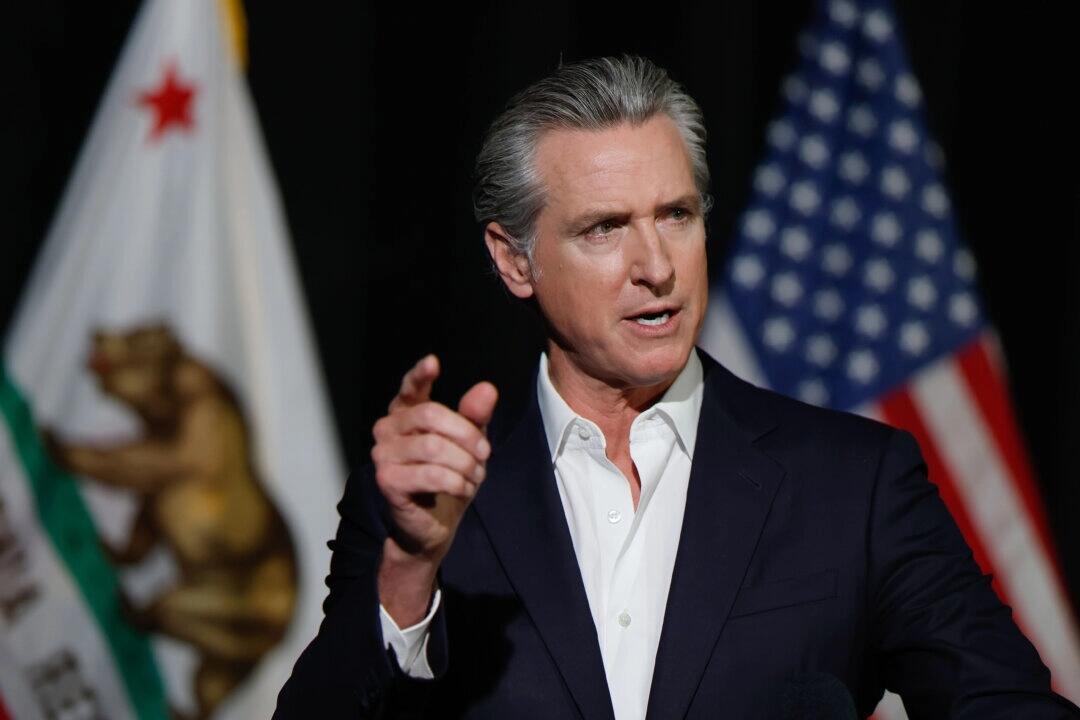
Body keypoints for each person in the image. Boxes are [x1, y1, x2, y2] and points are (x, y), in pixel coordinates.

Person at [274, 56, 1078, 719]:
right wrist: (408, 574)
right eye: (605, 228)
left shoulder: (855, 483)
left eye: (676, 215)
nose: (656, 266)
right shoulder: (423, 501)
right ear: (515, 260)